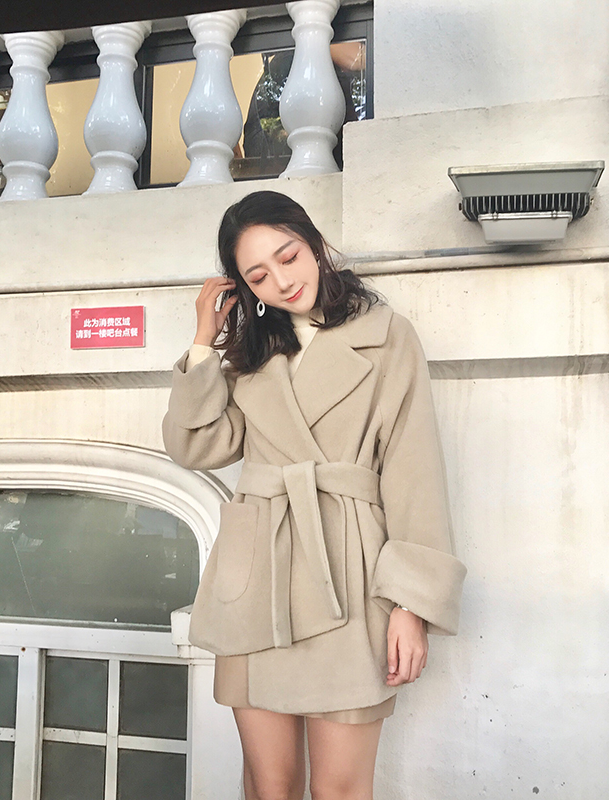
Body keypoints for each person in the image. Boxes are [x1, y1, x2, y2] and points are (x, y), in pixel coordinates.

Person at [162, 191, 466, 800]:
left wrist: (410, 605)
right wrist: (203, 341)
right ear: (244, 289)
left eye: (288, 256)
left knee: (340, 790)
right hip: (257, 582)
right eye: (258, 276)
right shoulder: (249, 358)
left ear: (316, 245)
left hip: (348, 576)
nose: (281, 281)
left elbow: (414, 473)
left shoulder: (386, 338)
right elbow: (196, 446)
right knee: (268, 787)